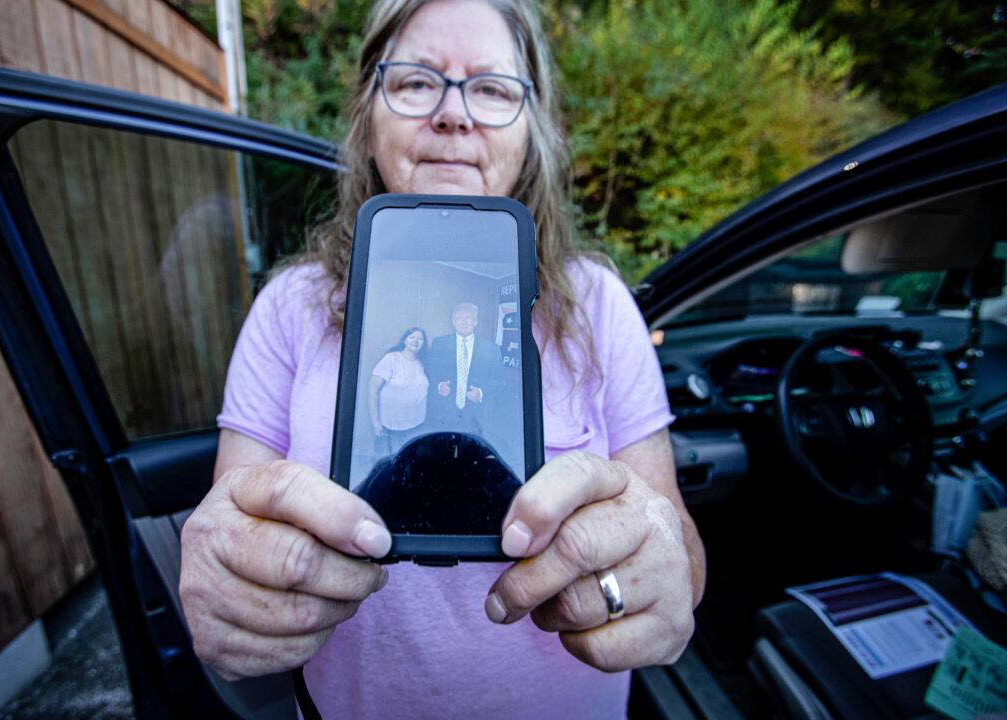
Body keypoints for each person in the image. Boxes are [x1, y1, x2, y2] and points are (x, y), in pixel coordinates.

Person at [181, 1, 707, 717]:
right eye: (417, 81)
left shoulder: (599, 304)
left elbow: (680, 551)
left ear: (533, 131)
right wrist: (227, 580)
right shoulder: (288, 308)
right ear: (368, 116)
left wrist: (661, 574)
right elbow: (232, 522)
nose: (454, 115)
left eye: (492, 89)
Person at [426, 302, 504, 439]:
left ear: (475, 321)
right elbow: (429, 369)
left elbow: (499, 380)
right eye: (459, 318)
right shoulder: (440, 343)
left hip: (476, 413)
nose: (463, 322)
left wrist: (480, 393)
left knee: (471, 448)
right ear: (453, 321)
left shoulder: (491, 349)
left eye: (468, 317)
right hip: (445, 409)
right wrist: (439, 385)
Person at [369, 326, 430, 454]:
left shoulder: (423, 363)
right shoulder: (391, 359)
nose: (415, 341)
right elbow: (373, 390)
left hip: (416, 424)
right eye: (412, 337)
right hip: (390, 425)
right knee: (387, 464)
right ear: (404, 340)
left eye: (420, 339)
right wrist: (376, 422)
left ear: (423, 344)